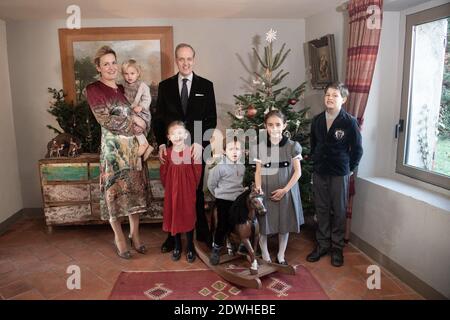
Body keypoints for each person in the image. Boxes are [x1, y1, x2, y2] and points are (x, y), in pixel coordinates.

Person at [153, 43, 217, 252]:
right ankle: (172, 237)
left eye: (189, 58)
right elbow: (159, 119)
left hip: (196, 149)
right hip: (174, 150)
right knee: (173, 193)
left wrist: (199, 143)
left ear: (194, 60)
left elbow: (210, 119)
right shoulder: (165, 86)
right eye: (181, 59)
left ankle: (202, 232)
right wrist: (162, 143)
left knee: (196, 194)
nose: (185, 62)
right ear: (176, 60)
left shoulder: (206, 86)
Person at [86, 46, 148, 259]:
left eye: (113, 62)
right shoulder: (94, 89)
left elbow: (142, 112)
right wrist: (135, 124)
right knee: (114, 193)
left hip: (133, 150)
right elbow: (106, 119)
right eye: (106, 64)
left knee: (135, 191)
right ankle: (119, 237)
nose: (111, 67)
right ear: (98, 67)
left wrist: (143, 128)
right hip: (113, 152)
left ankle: (135, 234)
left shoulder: (124, 89)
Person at [306, 82, 363, 267]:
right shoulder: (317, 120)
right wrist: (315, 161)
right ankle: (322, 245)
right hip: (320, 171)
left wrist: (350, 168)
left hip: (340, 172)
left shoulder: (349, 121)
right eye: (327, 95)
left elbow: (357, 150)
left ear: (344, 99)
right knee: (321, 208)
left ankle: (337, 247)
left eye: (335, 95)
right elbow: (314, 145)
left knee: (338, 210)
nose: (330, 98)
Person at [254, 110, 304, 265]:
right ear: (265, 126)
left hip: (286, 191)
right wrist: (258, 188)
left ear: (284, 125)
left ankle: (281, 256)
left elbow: (298, 172)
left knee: (284, 223)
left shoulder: (292, 146)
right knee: (263, 224)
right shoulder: (260, 147)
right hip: (266, 192)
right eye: (270, 125)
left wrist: (285, 190)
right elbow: (258, 171)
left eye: (278, 125)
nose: (274, 128)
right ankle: (265, 255)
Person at [159, 121, 203, 263]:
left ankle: (190, 246)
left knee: (188, 215)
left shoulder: (190, 151)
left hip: (187, 191)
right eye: (173, 134)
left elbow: (197, 170)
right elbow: (164, 173)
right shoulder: (168, 153)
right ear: (169, 137)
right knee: (174, 215)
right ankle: (177, 245)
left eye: (180, 133)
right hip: (172, 192)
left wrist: (192, 187)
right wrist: (169, 187)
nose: (177, 136)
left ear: (185, 135)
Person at [207, 138, 245, 265]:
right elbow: (211, 184)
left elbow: (241, 184)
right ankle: (216, 247)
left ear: (242, 151)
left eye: (237, 149)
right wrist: (218, 195)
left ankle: (241, 244)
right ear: (224, 151)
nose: (234, 152)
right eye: (231, 149)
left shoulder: (242, 166)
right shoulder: (219, 167)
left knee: (243, 222)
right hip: (223, 200)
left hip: (238, 200)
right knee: (222, 225)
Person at [121, 59, 153, 162]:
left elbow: (147, 99)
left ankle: (144, 143)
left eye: (132, 73)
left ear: (138, 73)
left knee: (136, 127)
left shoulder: (142, 86)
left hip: (141, 113)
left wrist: (142, 106)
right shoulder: (123, 86)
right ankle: (144, 146)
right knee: (127, 127)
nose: (129, 76)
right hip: (129, 112)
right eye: (126, 74)